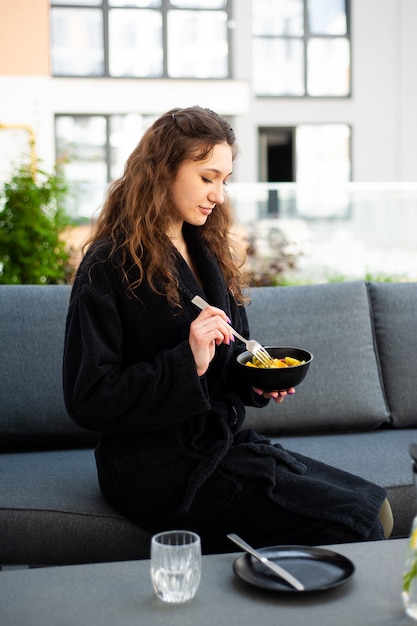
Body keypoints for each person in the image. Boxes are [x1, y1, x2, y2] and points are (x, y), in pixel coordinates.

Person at [63, 106, 393, 553]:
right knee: (354, 525)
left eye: (224, 180)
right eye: (206, 177)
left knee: (379, 509)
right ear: (162, 171)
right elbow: (89, 399)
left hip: (220, 443)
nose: (218, 194)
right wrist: (188, 360)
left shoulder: (207, 250)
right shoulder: (109, 264)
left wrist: (256, 379)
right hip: (151, 466)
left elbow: (227, 366)